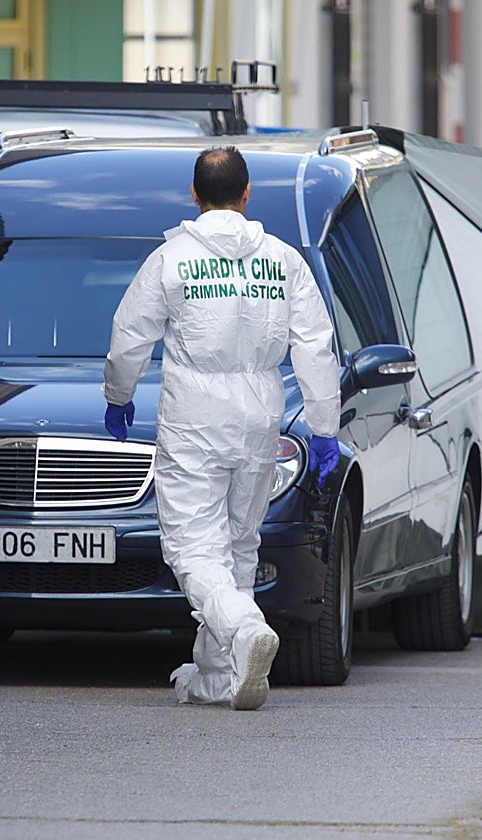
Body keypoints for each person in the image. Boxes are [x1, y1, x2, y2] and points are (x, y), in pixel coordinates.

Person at [101, 146, 340, 710]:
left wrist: (118, 396)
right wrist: (324, 426)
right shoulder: (282, 260)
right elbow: (315, 344)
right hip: (260, 414)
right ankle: (217, 676)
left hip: (194, 417)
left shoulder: (172, 259)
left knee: (191, 549)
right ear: (247, 193)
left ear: (194, 194)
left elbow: (129, 335)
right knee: (238, 545)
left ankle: (244, 628)